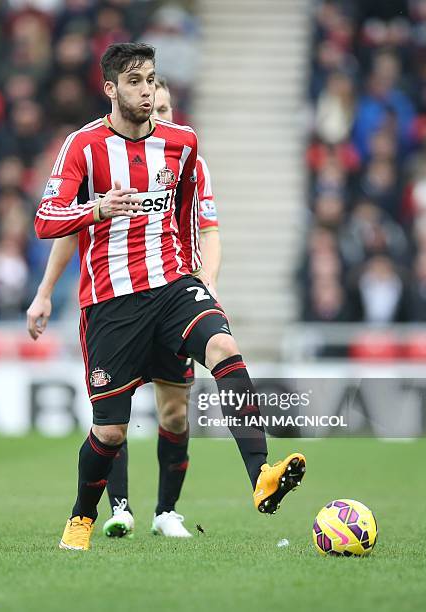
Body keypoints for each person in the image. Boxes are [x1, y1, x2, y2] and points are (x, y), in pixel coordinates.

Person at [33, 42, 306, 551]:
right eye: (135, 82)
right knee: (110, 433)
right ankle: (81, 517)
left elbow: (186, 217)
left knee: (224, 349)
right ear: (111, 89)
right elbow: (45, 220)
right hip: (112, 302)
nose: (146, 91)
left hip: (173, 285)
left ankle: (261, 474)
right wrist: (96, 210)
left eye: (151, 80)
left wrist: (196, 276)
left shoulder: (183, 143)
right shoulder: (83, 146)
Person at [27, 76, 221, 539]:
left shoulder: (188, 162)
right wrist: (45, 291)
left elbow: (208, 228)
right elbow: (71, 228)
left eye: (169, 108)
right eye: (157, 103)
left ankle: (167, 511)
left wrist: (205, 280)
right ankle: (118, 507)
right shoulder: (107, 154)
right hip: (116, 300)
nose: (160, 112)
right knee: (117, 414)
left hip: (170, 296)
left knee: (174, 411)